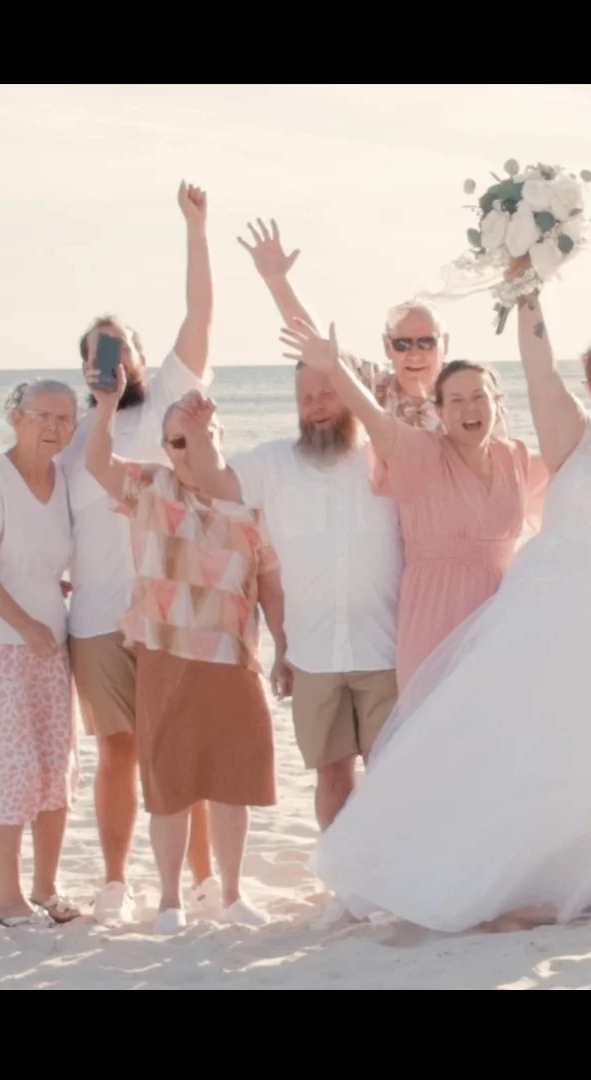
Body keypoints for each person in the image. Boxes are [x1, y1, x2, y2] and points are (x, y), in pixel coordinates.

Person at [305, 292, 591, 931]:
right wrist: (528, 290)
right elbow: (537, 369)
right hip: (545, 615)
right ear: (590, 394)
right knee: (528, 748)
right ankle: (520, 877)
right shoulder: (573, 444)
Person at [60, 181, 218, 925]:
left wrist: (195, 229)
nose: (113, 367)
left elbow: (202, 315)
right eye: (98, 357)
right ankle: (117, 881)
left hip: (174, 606)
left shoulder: (165, 404)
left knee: (183, 744)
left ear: (142, 357)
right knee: (119, 750)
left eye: (122, 353)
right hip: (96, 613)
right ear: (84, 366)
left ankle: (203, 876)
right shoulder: (68, 438)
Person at [179, 312, 402, 832]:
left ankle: (387, 876)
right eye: (306, 398)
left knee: (390, 773)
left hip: (385, 650)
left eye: (327, 393)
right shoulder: (273, 463)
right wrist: (196, 433)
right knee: (332, 777)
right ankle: (342, 881)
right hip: (314, 655)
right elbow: (214, 483)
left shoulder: (386, 458)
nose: (317, 407)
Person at [83, 382, 283, 934]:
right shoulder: (148, 486)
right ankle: (170, 900)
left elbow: (270, 582)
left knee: (231, 781)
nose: (188, 449)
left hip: (232, 652)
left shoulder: (247, 501)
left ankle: (234, 894)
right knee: (169, 783)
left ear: (218, 439)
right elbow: (94, 459)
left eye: (201, 436)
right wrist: (105, 405)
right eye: (176, 440)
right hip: (165, 651)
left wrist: (284, 647)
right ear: (164, 448)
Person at [294, 320, 547, 690]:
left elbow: (575, 473)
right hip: (434, 618)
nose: (469, 409)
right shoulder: (423, 454)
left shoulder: (518, 459)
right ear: (440, 412)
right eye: (456, 401)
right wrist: (334, 368)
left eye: (479, 397)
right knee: (430, 730)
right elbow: (374, 419)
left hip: (498, 619)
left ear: (498, 403)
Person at [0, 380, 81, 926]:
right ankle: (5, 896)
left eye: (64, 419)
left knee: (57, 768)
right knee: (10, 770)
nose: (52, 427)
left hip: (51, 644)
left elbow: (50, 561)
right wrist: (26, 623)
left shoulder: (65, 480)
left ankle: (45, 889)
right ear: (16, 418)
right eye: (41, 416)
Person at [237, 217, 452, 432]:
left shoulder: (469, 390)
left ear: (446, 344)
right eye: (402, 344)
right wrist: (277, 280)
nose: (414, 353)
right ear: (387, 346)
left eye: (426, 342)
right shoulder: (374, 386)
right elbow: (319, 349)